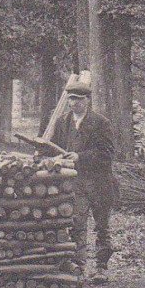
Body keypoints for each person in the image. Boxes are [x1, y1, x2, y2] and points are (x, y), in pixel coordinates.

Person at [47, 79, 117, 276]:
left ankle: (101, 268)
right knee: (77, 224)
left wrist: (80, 156)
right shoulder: (63, 122)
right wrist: (57, 156)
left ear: (87, 100)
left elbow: (107, 153)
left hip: (99, 182)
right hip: (75, 183)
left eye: (78, 99)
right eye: (71, 99)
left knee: (102, 227)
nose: (73, 103)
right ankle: (79, 267)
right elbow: (54, 146)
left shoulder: (101, 123)